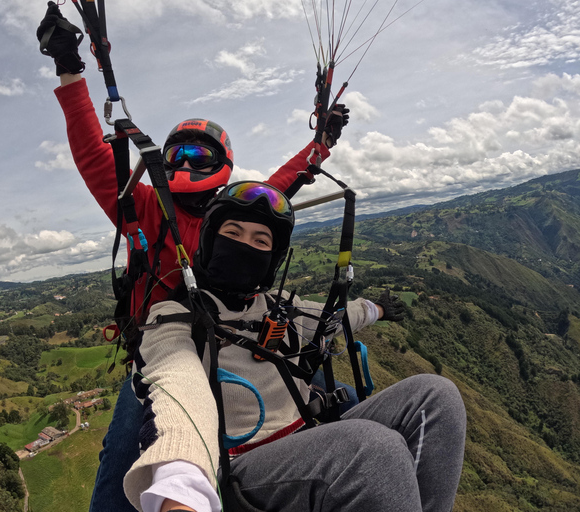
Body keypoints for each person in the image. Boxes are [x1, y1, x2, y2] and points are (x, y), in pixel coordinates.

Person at [36, 4, 355, 511]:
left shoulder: (235, 210)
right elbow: (94, 155)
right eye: (177, 155)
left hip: (239, 330)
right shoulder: (143, 205)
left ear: (220, 165)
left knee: (345, 390)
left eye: (197, 156)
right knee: (122, 468)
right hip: (168, 347)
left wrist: (322, 145)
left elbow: (282, 187)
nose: (185, 164)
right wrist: (69, 67)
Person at [124, 181, 467, 512]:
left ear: (273, 257)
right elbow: (176, 380)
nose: (245, 245)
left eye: (261, 239)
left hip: (307, 440)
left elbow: (335, 317)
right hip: (240, 465)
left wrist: (376, 309)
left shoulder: (281, 308)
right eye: (232, 233)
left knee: (436, 396)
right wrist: (183, 486)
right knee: (374, 448)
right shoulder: (176, 316)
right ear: (210, 241)